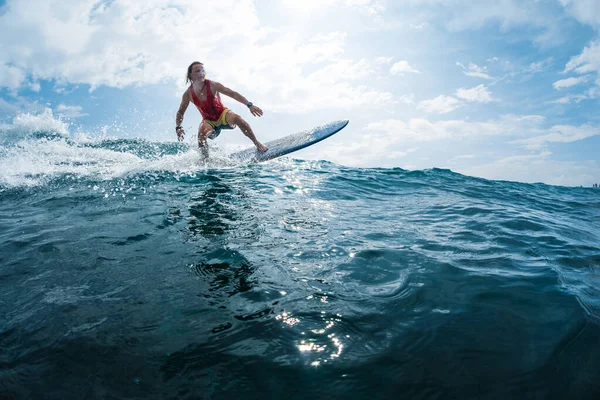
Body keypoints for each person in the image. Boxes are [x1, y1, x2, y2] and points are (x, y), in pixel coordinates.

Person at [175, 61, 268, 158]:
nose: (201, 72)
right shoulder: (188, 94)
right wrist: (178, 127)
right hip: (209, 121)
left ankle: (257, 143)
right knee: (201, 135)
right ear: (190, 75)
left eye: (203, 70)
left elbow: (233, 94)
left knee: (237, 118)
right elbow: (180, 112)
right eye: (198, 71)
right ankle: (205, 160)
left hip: (223, 115)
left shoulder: (213, 85)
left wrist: (249, 105)